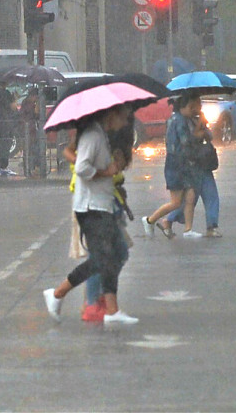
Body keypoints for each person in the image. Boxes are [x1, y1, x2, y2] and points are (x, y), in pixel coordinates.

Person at [43, 104, 139, 325]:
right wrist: (107, 171)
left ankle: (112, 310)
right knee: (102, 258)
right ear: (111, 114)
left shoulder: (100, 135)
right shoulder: (93, 136)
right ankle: (58, 294)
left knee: (114, 254)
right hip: (91, 208)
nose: (125, 123)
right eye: (123, 117)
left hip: (101, 204)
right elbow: (83, 168)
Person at [142, 92, 203, 239]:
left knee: (190, 196)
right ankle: (150, 220)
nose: (195, 110)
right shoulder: (180, 121)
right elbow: (185, 142)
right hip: (177, 165)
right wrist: (199, 131)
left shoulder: (175, 118)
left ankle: (188, 230)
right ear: (186, 106)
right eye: (193, 107)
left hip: (180, 164)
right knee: (176, 202)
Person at [160, 110, 221, 238]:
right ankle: (168, 220)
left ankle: (212, 226)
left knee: (211, 196)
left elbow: (209, 136)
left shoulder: (197, 119)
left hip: (204, 162)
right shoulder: (180, 121)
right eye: (196, 103)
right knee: (189, 199)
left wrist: (203, 124)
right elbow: (189, 140)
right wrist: (199, 126)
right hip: (191, 165)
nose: (198, 107)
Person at [0, 79, 18, 176]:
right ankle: (4, 166)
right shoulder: (6, 93)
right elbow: (13, 107)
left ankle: (0, 166)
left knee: (0, 144)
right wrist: (15, 98)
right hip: (7, 122)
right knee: (6, 144)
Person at [20, 88, 40, 176]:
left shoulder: (25, 102)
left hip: (27, 129)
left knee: (29, 149)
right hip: (31, 129)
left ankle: (29, 167)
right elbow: (35, 115)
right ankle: (33, 167)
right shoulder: (31, 104)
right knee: (33, 149)